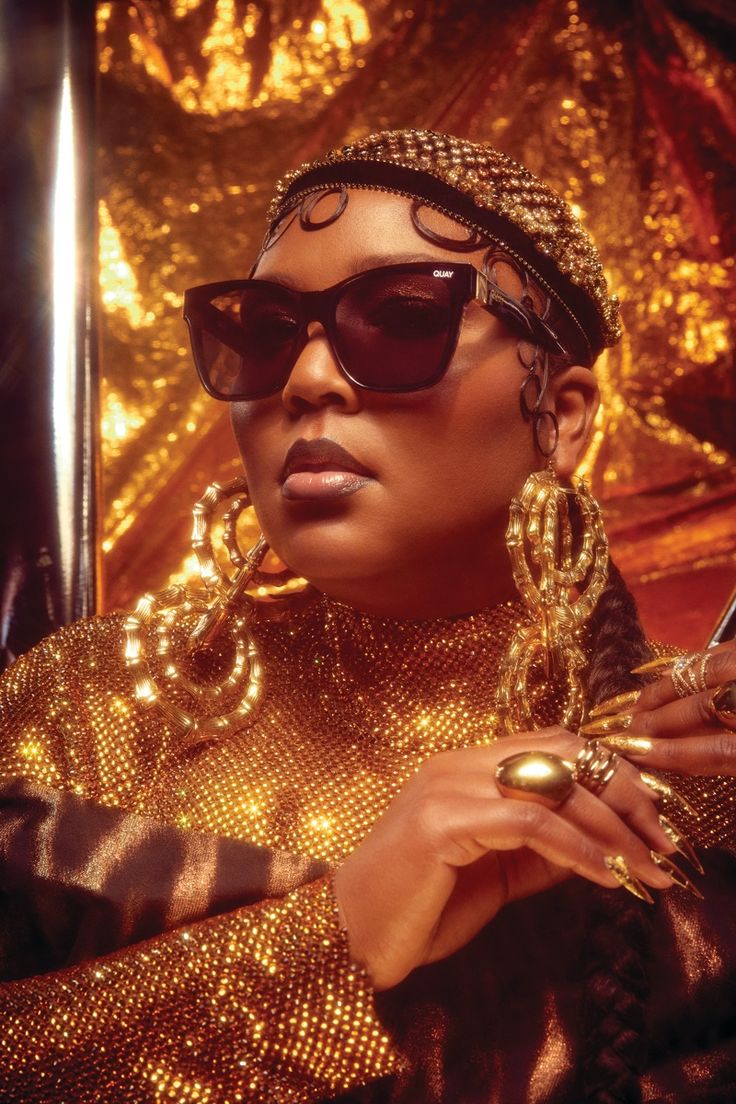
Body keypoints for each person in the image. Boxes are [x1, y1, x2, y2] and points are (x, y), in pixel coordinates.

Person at [0, 128, 735, 1104]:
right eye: (265, 332)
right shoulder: (89, 707)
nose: (305, 380)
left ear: (559, 417)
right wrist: (340, 932)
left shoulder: (691, 767)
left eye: (400, 319)